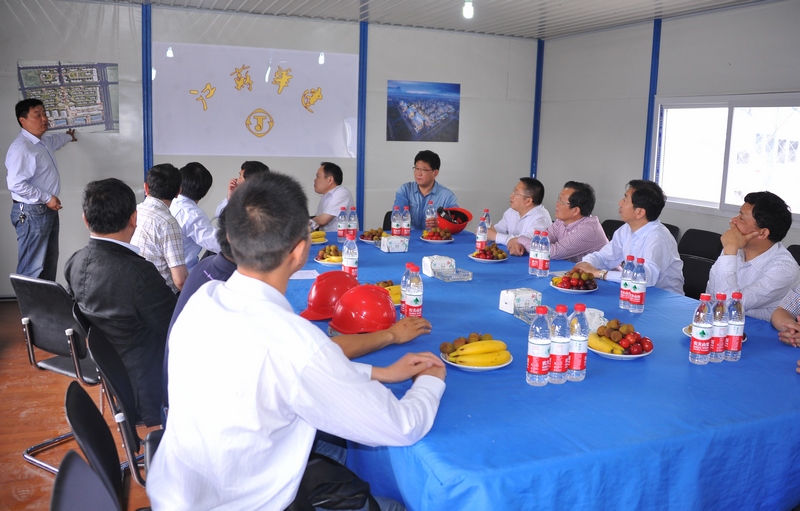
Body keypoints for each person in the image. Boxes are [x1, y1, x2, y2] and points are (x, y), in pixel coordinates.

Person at [147, 172, 446, 510]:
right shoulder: (295, 345)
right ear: (301, 250)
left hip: (182, 492)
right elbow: (402, 426)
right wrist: (430, 381)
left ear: (229, 237)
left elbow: (282, 373)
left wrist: (380, 373)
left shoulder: (205, 299)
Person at [65, 178, 176, 427]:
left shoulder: (74, 261)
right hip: (147, 384)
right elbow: (174, 327)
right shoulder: (139, 274)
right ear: (134, 218)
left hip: (109, 370)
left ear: (85, 219)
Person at [5, 98, 77, 280]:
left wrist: (69, 136)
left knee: (48, 264)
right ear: (23, 120)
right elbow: (15, 184)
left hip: (45, 210)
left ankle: (44, 299)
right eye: (37, 115)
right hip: (31, 212)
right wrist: (46, 197)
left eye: (44, 114)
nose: (44, 119)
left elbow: (56, 140)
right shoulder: (22, 148)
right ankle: (28, 300)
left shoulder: (41, 141)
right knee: (32, 268)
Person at [575, 179, 684, 294]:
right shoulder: (626, 229)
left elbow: (646, 277)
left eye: (625, 200)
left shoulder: (658, 237)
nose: (620, 203)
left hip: (664, 298)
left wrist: (600, 274)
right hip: (634, 291)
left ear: (639, 212)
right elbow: (604, 257)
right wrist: (586, 265)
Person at [706, 191, 798, 321]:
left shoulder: (783, 270)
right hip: (724, 324)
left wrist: (730, 250)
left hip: (759, 331)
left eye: (741, 218)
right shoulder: (736, 248)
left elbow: (729, 306)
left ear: (762, 233)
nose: (733, 221)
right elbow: (712, 297)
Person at [131, 163, 187, 293]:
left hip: (133, 291)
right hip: (160, 295)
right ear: (179, 191)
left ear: (146, 188)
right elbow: (180, 280)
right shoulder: (168, 223)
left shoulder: (133, 212)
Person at [169, 162, 220, 272]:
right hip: (183, 276)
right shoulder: (193, 215)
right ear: (205, 193)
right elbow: (219, 244)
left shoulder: (167, 203)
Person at [394, 150, 457, 230]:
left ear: (435, 173)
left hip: (433, 237)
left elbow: (455, 221)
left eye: (423, 170)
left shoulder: (447, 197)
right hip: (409, 236)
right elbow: (397, 215)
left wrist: (440, 222)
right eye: (416, 168)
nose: (418, 173)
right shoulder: (405, 190)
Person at [487, 177, 551, 256]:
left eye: (516, 193)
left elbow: (526, 241)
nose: (511, 196)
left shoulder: (541, 218)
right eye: (513, 191)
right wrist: (488, 231)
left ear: (528, 201)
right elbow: (500, 228)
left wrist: (496, 236)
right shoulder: (512, 211)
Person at [547, 181, 608, 262]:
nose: (557, 204)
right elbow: (541, 238)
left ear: (575, 210)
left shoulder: (588, 229)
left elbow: (553, 252)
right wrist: (531, 244)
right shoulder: (561, 221)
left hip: (601, 270)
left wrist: (530, 243)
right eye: (559, 199)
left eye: (561, 202)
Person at [310, 162, 354, 232]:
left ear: (330, 180)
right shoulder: (325, 196)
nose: (315, 180)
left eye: (318, 176)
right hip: (326, 237)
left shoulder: (342, 193)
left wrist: (300, 226)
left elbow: (322, 220)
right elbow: (317, 220)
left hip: (341, 238)